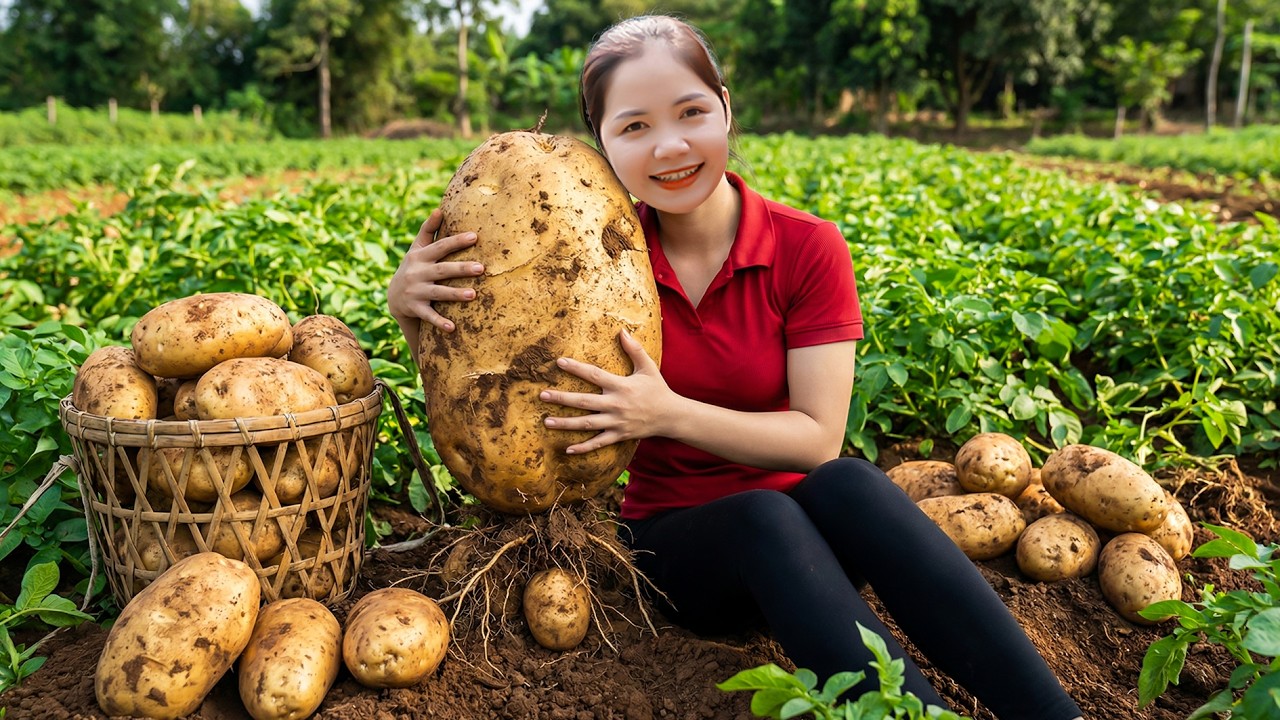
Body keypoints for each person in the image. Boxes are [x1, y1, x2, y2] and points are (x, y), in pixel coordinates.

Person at [388, 14, 1083, 720]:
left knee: (847, 481)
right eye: (634, 128)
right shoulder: (588, 262)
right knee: (761, 516)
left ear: (726, 106)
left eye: (691, 112)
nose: (671, 146)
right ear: (599, 146)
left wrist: (667, 414)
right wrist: (409, 304)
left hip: (816, 550)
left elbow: (816, 440)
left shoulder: (807, 248)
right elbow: (494, 383)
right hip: (680, 553)